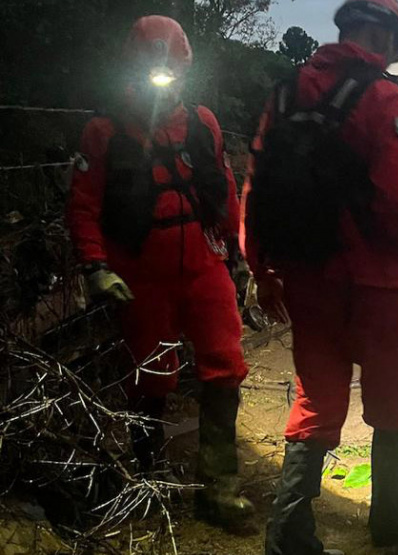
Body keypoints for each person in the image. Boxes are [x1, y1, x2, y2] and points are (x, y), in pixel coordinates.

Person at [241, 1, 398, 553]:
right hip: (374, 282)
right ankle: (393, 517)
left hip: (306, 278)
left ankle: (288, 533)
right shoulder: (384, 96)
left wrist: (261, 269)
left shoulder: (285, 95)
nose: (392, 60)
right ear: (384, 35)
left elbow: (255, 186)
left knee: (316, 399)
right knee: (391, 398)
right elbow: (397, 197)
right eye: (394, 49)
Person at [66, 15, 252, 527]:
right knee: (151, 377)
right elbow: (83, 206)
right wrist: (95, 267)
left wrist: (237, 258)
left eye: (174, 68)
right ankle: (150, 480)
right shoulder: (104, 132)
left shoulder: (202, 123)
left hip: (204, 266)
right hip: (140, 275)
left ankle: (219, 488)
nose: (164, 76)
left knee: (226, 365)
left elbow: (224, 191)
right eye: (154, 67)